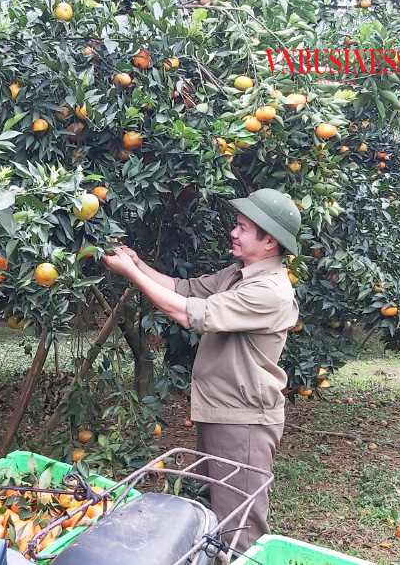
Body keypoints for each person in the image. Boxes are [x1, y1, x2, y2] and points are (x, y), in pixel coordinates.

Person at [100, 188, 301, 555]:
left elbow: (189, 313)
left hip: (244, 421)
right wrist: (138, 264)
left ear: (269, 240)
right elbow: (184, 289)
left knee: (239, 529)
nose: (234, 233)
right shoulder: (239, 274)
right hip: (222, 412)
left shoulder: (270, 290)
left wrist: (130, 272)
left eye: (242, 227)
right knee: (213, 516)